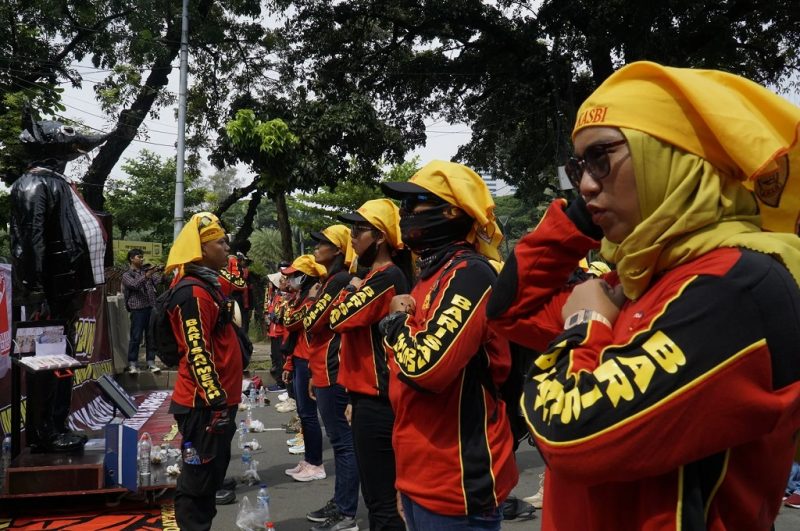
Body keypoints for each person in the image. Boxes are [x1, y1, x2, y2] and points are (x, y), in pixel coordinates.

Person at [486, 61, 800, 530]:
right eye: (578, 168)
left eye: (601, 159)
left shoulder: (738, 283)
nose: (585, 185)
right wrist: (577, 220)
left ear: (669, 158)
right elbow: (511, 308)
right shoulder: (638, 278)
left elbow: (569, 434)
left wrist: (585, 323)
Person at [379, 160, 518, 531]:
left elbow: (425, 368)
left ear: (452, 210)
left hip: (456, 485)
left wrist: (394, 323)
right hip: (421, 478)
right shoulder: (433, 273)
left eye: (415, 204)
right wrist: (404, 481)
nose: (405, 215)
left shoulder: (470, 274)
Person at [10, 115, 108, 453]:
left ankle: (58, 423)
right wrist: (34, 292)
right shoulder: (33, 185)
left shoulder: (56, 184)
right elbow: (28, 242)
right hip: (48, 294)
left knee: (61, 361)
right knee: (46, 362)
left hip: (65, 291)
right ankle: (43, 431)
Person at [330, 199, 412, 530]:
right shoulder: (375, 276)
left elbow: (337, 318)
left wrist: (350, 284)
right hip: (368, 397)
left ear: (378, 236)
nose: (351, 238)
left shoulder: (385, 277)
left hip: (381, 401)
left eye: (357, 230)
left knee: (383, 504)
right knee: (379, 498)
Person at [164, 212, 242, 531]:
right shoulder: (193, 292)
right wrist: (216, 402)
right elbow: (197, 353)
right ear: (202, 249)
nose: (227, 248)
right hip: (203, 406)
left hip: (215, 404)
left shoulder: (209, 286)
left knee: (209, 481)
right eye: (221, 242)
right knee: (197, 483)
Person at [303, 225, 359, 531]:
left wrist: (310, 300)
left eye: (322, 243)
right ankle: (341, 503)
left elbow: (311, 321)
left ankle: (347, 511)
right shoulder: (330, 280)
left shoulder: (339, 280)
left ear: (338, 250)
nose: (316, 248)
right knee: (340, 442)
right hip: (322, 369)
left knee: (343, 442)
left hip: (335, 371)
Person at [281, 254, 328, 484]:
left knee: (309, 415)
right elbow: (290, 328)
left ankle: (316, 463)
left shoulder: (312, 300)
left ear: (305, 277)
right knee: (304, 413)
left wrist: (306, 300)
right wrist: (289, 363)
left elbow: (289, 321)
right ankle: (309, 460)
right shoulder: (302, 298)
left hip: (309, 361)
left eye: (293, 276)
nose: (289, 281)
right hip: (299, 360)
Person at [121, 248, 162, 374]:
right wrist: (147, 275)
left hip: (151, 307)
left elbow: (158, 281)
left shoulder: (146, 271)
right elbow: (134, 285)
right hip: (137, 309)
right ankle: (133, 363)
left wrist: (162, 272)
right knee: (136, 337)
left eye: (142, 256)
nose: (142, 258)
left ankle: (151, 362)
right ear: (132, 259)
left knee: (151, 336)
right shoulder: (127, 275)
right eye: (139, 256)